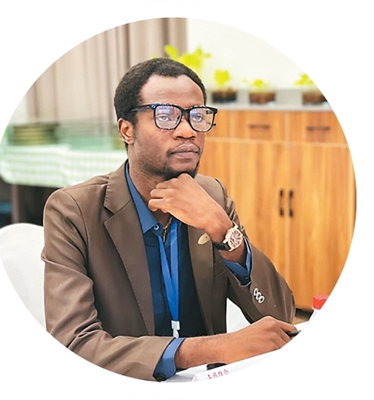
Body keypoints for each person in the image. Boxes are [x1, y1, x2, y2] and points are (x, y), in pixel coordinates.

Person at [42, 57, 296, 382]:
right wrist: (208, 348)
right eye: (165, 116)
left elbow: (280, 315)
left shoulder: (212, 196)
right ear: (127, 130)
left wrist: (223, 230)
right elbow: (73, 344)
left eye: (197, 115)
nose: (188, 131)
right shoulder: (73, 211)